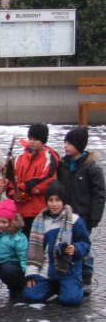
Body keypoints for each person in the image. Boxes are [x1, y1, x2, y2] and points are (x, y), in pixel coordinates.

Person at [23, 181, 90, 307]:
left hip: (67, 269)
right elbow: (34, 250)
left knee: (70, 300)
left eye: (57, 200)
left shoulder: (75, 220)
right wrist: (31, 274)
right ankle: (54, 287)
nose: (54, 204)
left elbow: (85, 243)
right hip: (46, 270)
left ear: (63, 201)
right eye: (50, 200)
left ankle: (70, 285)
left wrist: (75, 249)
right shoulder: (40, 220)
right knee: (30, 296)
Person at [57, 126, 104, 295]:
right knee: (66, 244)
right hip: (65, 214)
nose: (65, 146)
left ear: (78, 145)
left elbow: (99, 194)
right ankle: (67, 274)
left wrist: (94, 217)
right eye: (64, 142)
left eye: (69, 143)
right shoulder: (62, 164)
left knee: (84, 247)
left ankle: (86, 276)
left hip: (83, 215)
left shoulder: (91, 168)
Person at [8, 123, 60, 235]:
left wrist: (23, 188)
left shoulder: (50, 157)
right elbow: (12, 179)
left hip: (38, 211)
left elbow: (46, 180)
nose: (32, 142)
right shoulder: (20, 156)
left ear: (43, 140)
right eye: (30, 138)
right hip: (19, 211)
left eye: (36, 139)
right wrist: (13, 193)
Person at [0, 199, 28, 301]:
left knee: (8, 270)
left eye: (4, 222)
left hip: (10, 262)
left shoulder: (18, 236)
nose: (0, 225)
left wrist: (27, 273)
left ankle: (16, 289)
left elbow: (23, 255)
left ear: (11, 222)